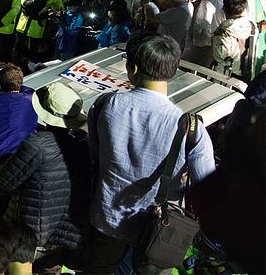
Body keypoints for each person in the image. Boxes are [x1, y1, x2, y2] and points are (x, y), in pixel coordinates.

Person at [84, 33, 215, 274]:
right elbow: (207, 191)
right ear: (173, 70)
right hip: (161, 232)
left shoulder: (104, 104)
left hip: (107, 218)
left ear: (131, 68)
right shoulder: (192, 128)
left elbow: (96, 155)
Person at [0, 82, 90, 272]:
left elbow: (4, 180)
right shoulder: (81, 146)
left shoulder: (36, 144)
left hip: (29, 234)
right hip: (64, 235)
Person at [182, 0, 228, 66]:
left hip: (203, 45)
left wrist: (196, 43)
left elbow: (202, 25)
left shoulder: (208, 1)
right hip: (216, 43)